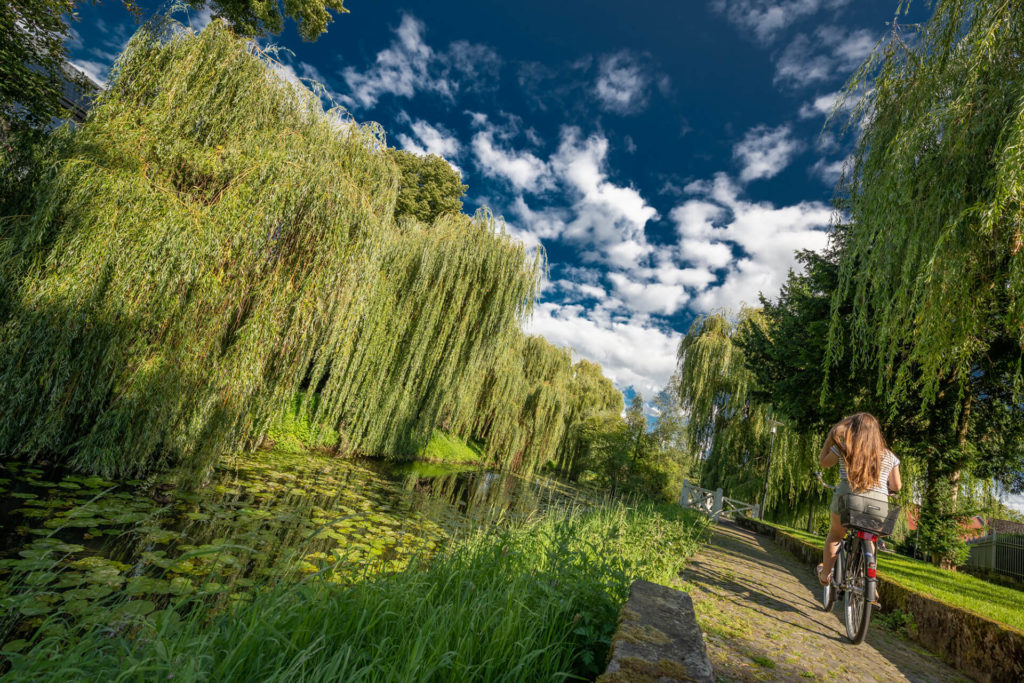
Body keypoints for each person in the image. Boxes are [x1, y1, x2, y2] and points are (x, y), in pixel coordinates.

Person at [815, 413, 901, 587]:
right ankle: (870, 586)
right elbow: (896, 486)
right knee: (871, 538)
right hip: (878, 505)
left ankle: (825, 575)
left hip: (848, 499)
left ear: (853, 430)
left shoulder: (845, 447)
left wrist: (829, 439)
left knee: (836, 535)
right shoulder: (889, 456)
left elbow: (824, 462)